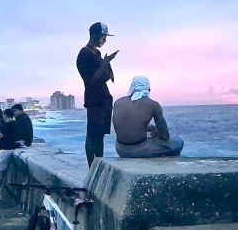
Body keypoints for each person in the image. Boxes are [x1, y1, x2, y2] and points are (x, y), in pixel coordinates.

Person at [76, 22, 118, 166]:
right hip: (95, 99)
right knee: (93, 134)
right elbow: (91, 79)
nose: (105, 40)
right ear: (94, 35)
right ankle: (91, 168)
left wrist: (107, 63)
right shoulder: (84, 54)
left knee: (100, 135)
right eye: (103, 37)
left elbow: (105, 76)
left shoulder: (96, 53)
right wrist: (105, 63)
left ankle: (99, 165)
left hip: (104, 98)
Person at [113, 76, 184, 158]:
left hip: (120, 149)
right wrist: (157, 132)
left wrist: (151, 128)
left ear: (132, 87)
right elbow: (165, 136)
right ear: (148, 90)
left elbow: (128, 126)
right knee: (178, 142)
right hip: (139, 151)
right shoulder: (153, 105)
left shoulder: (118, 102)